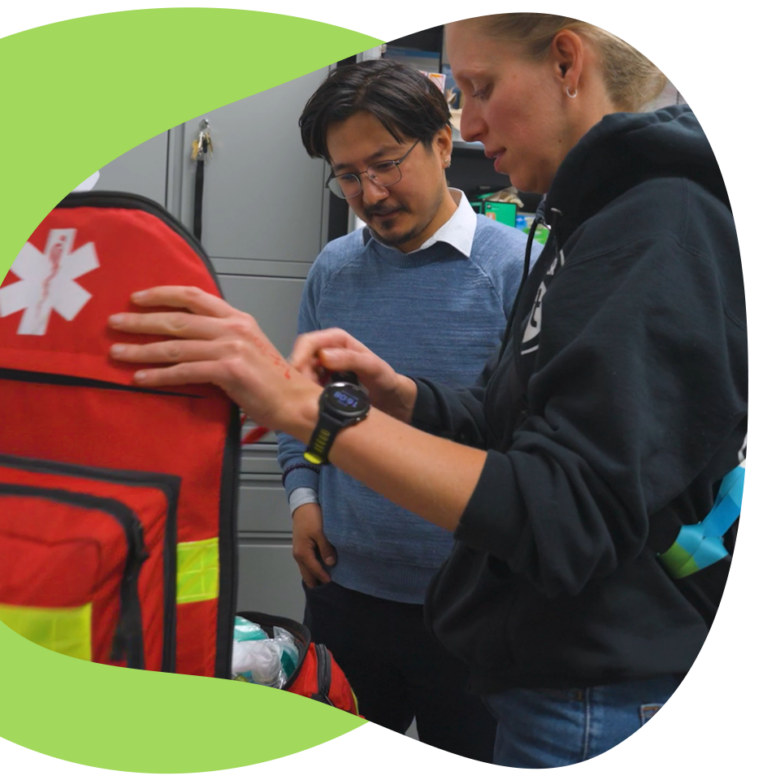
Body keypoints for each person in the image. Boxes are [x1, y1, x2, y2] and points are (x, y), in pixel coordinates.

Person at [106, 14, 746, 769]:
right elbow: (515, 422)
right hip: (428, 614)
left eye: (480, 87)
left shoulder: (650, 225)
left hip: (577, 677)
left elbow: (565, 505)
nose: (470, 121)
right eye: (348, 176)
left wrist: (309, 411)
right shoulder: (588, 225)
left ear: (567, 63)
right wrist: (400, 396)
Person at [275, 59, 540, 759]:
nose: (371, 193)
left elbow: (535, 439)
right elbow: (308, 408)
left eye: (387, 164)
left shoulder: (517, 269)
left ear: (443, 145)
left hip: (475, 606)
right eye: (348, 175)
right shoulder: (334, 269)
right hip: (344, 592)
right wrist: (304, 498)